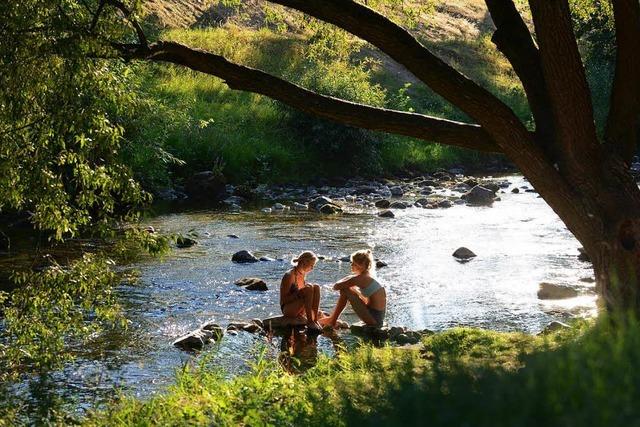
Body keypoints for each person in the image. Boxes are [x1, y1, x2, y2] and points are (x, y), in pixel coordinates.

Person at [322, 249, 386, 328]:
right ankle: (332, 319)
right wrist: (351, 282)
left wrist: (350, 278)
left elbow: (336, 286)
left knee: (345, 290)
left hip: (374, 319)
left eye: (353, 263)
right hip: (377, 316)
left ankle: (332, 321)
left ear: (361, 265)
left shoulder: (359, 279)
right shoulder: (368, 276)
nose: (351, 265)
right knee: (350, 289)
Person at [280, 251, 322, 331]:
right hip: (288, 309)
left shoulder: (302, 274)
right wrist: (298, 294)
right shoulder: (289, 275)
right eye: (311, 265)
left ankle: (315, 320)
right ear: (304, 262)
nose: (312, 268)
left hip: (299, 308)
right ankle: (310, 322)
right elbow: (283, 300)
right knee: (309, 288)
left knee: (316, 287)